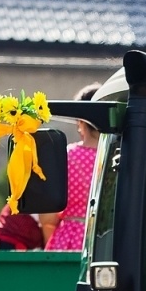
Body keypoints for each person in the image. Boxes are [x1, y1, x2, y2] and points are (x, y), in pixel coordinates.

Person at [43, 83, 103, 251]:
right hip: (106, 240)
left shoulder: (65, 156)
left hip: (67, 241)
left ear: (80, 122)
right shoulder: (118, 156)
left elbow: (47, 219)